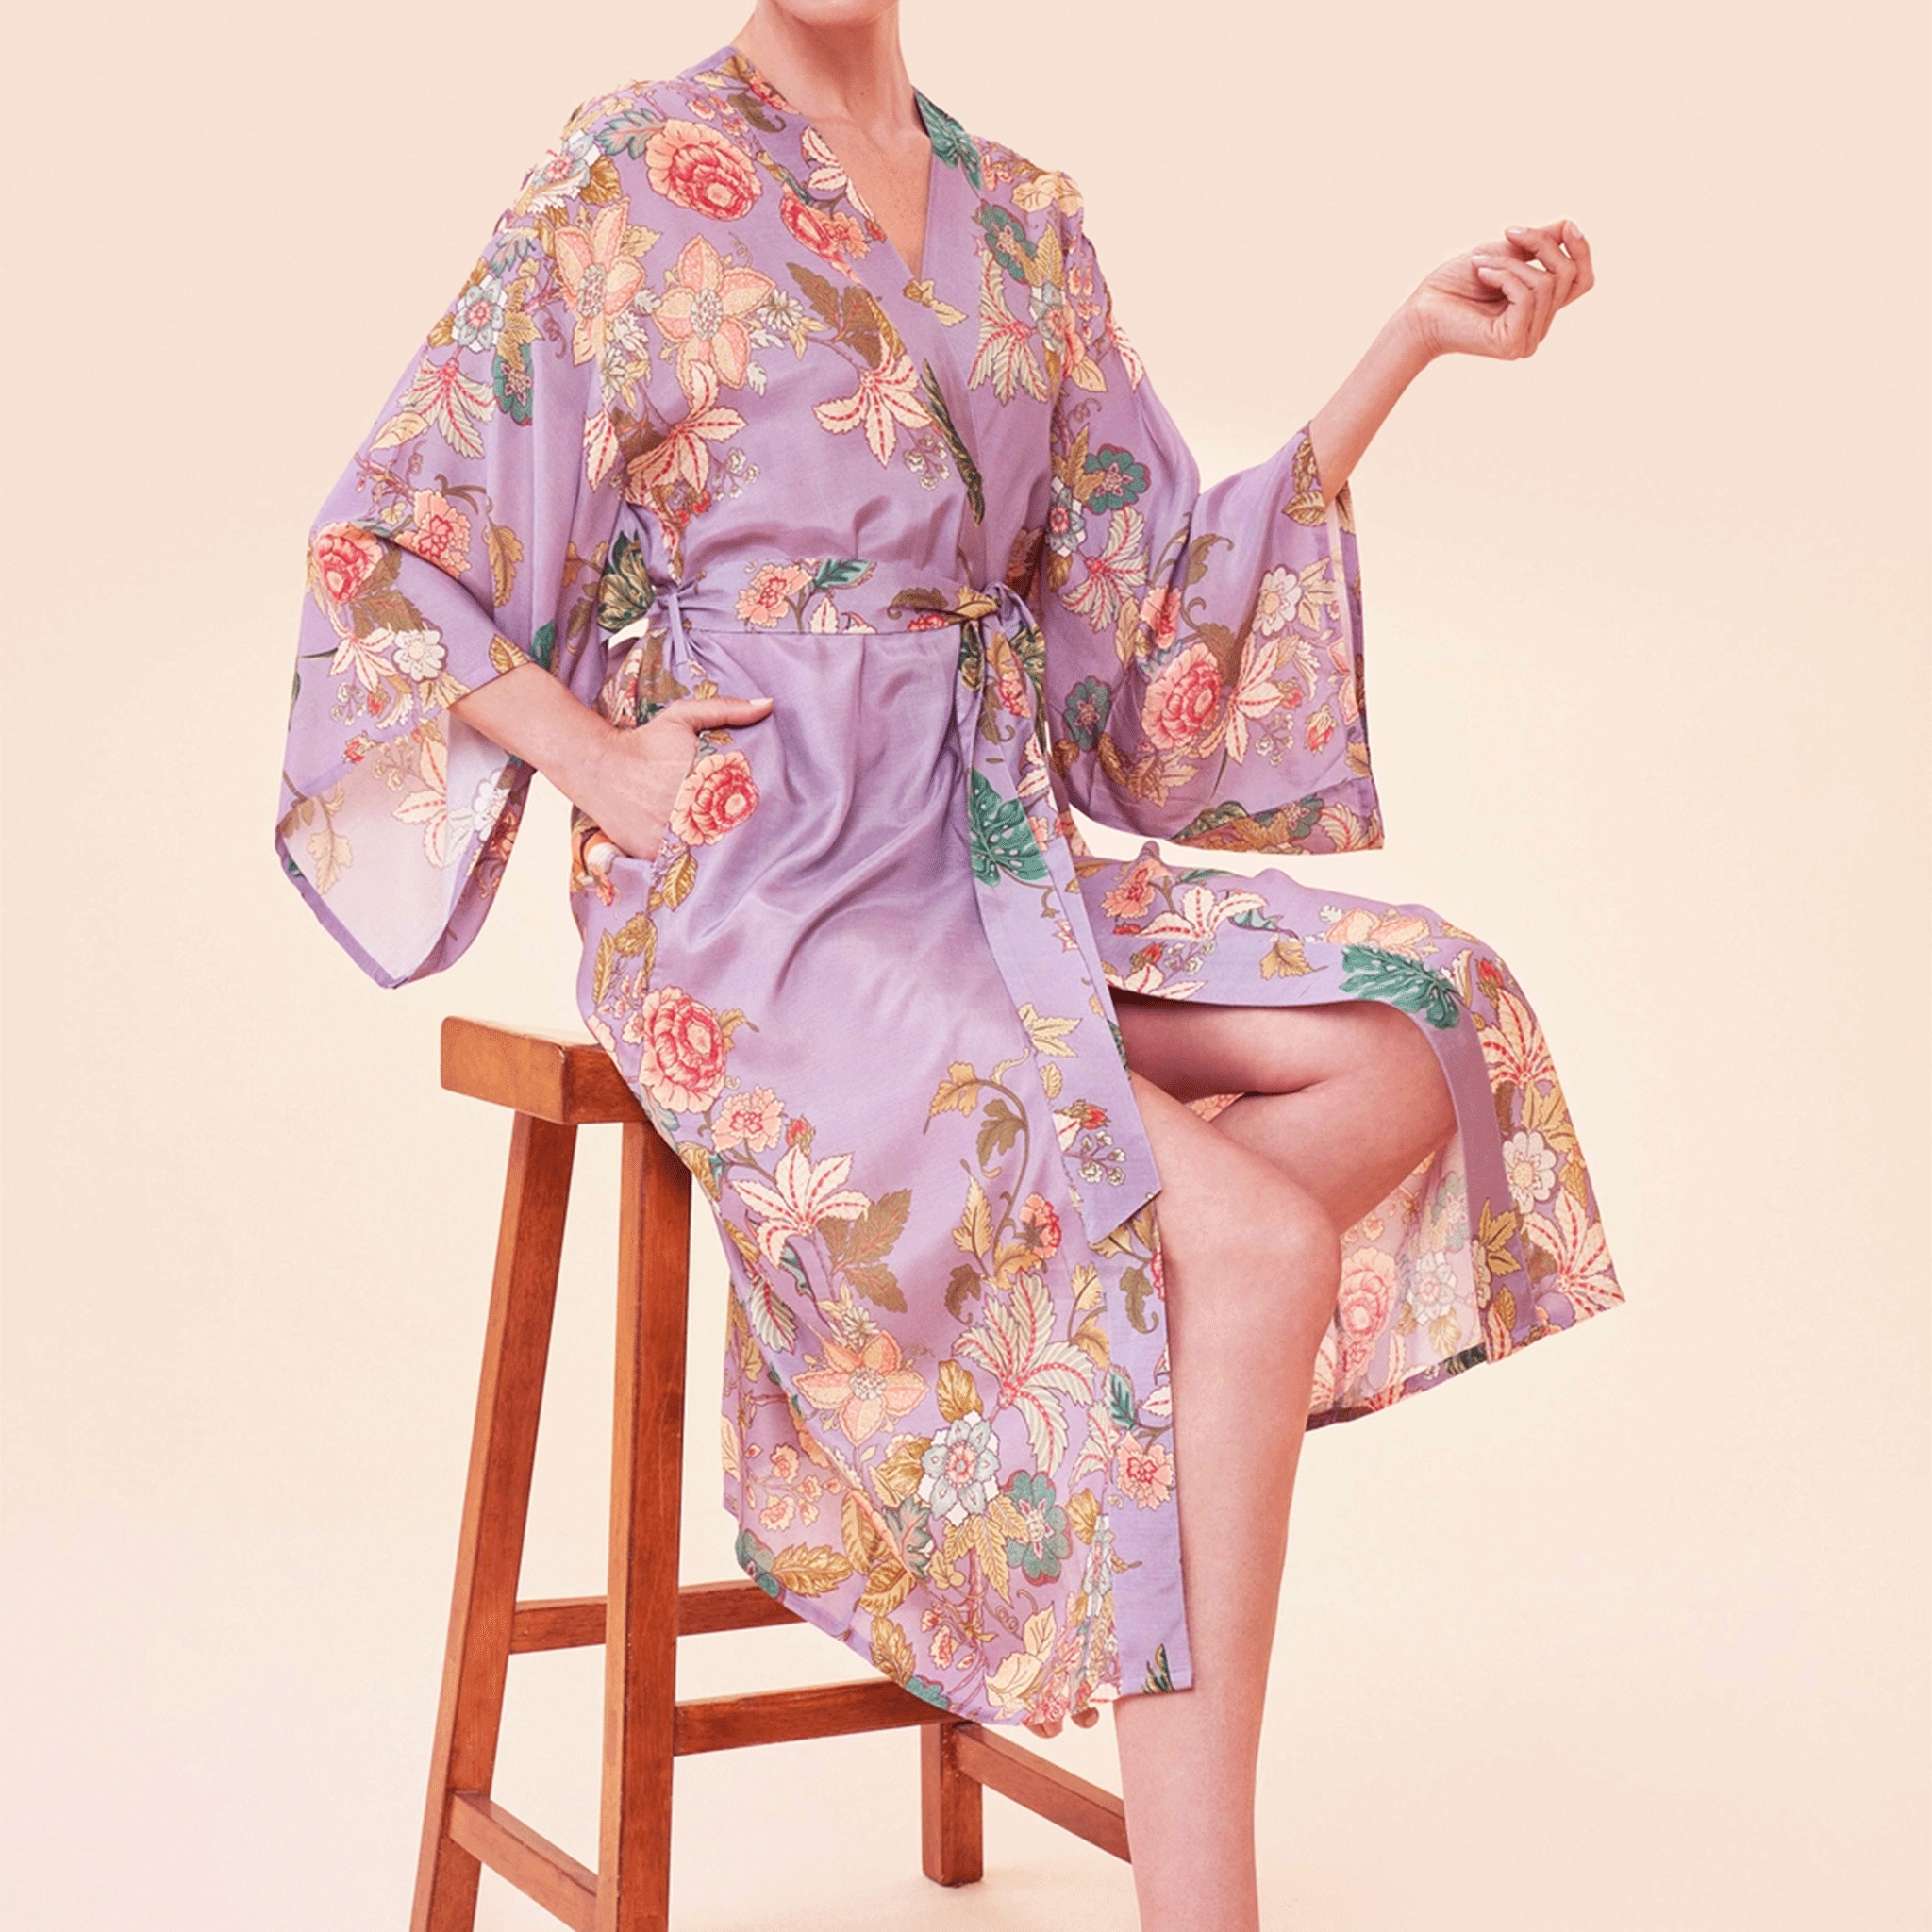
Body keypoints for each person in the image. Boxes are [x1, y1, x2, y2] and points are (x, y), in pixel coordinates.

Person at [275, 4, 1622, 1924]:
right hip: (767, 894)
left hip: (994, 858)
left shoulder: (1026, 220)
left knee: (1423, 1029)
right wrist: (593, 760)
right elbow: (378, 545)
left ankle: (1029, 1399)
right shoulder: (629, 175)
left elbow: (1139, 625)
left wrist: (1402, 346)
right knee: (1238, 1238)